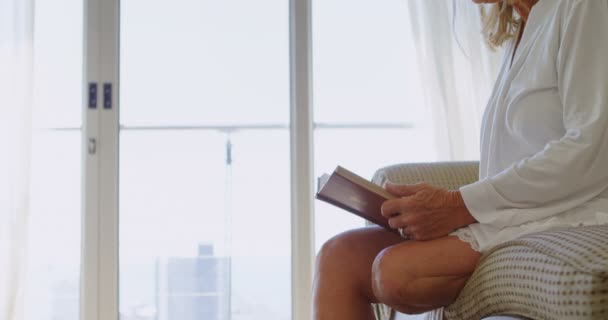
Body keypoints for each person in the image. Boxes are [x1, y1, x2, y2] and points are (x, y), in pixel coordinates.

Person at [313, 0, 608, 319]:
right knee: (337, 257)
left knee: (394, 272)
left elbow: (590, 148)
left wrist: (459, 205)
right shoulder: (523, 30)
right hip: (502, 214)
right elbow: (511, 162)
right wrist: (441, 207)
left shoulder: (584, 7)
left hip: (563, 211)